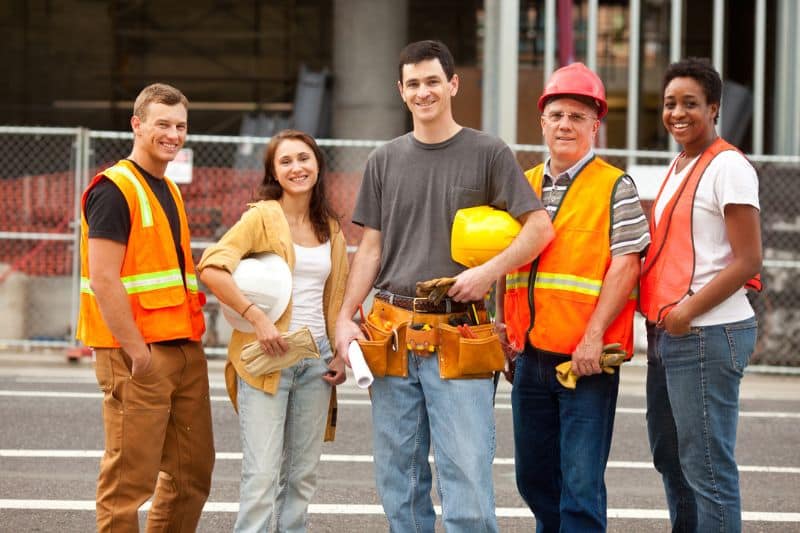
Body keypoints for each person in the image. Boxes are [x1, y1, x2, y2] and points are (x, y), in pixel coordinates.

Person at [334, 40, 554, 533]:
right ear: (401, 91)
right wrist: (345, 316)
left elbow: (539, 228)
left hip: (460, 335)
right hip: (391, 334)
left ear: (452, 84)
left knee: (468, 483)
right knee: (398, 482)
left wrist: (486, 272)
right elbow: (370, 249)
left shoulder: (488, 152)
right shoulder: (384, 160)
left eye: (433, 81)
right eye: (413, 83)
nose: (423, 91)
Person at [497, 63, 650, 532]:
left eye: (577, 116)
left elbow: (627, 264)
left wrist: (593, 336)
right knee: (534, 478)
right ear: (542, 122)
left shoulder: (614, 187)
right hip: (529, 357)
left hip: (586, 360)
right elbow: (505, 262)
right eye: (557, 114)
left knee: (580, 487)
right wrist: (502, 329)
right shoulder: (521, 183)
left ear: (595, 126)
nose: (565, 124)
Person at [76, 83, 214, 531]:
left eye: (180, 126)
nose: (173, 134)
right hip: (137, 354)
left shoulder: (168, 189)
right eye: (163, 124)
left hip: (182, 348)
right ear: (137, 125)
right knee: (128, 484)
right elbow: (103, 278)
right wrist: (137, 353)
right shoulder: (115, 189)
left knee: (191, 475)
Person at [198, 129, 348, 532]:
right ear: (273, 173)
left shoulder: (330, 227)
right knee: (262, 475)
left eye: (304, 158)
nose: (297, 167)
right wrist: (257, 317)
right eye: (286, 162)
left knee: (302, 476)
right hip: (268, 359)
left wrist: (338, 351)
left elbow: (333, 297)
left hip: (316, 359)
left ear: (317, 164)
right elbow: (211, 266)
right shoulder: (262, 216)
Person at [641, 58, 762, 533]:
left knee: (708, 470)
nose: (678, 112)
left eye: (690, 103)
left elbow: (748, 260)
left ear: (713, 108)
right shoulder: (679, 164)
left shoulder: (728, 166)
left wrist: (686, 311)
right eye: (670, 103)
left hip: (707, 332)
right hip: (671, 333)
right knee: (672, 460)